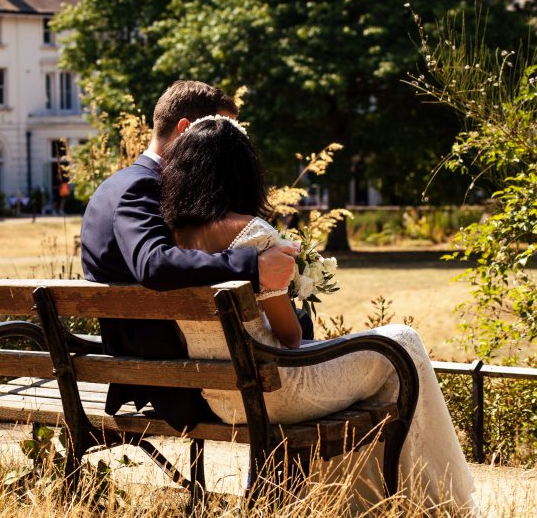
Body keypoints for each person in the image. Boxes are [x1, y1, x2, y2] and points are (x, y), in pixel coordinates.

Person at [160, 115, 474, 512]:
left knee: (385, 370)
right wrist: (288, 289)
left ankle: (363, 503)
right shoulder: (253, 233)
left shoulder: (174, 239)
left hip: (222, 398)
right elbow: (289, 337)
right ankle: (432, 500)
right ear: (243, 170)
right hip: (278, 389)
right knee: (403, 343)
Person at [79, 80, 300, 432]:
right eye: (222, 133)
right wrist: (254, 267)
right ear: (186, 129)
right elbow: (154, 264)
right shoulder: (140, 187)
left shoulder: (133, 184)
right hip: (171, 379)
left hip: (166, 367)